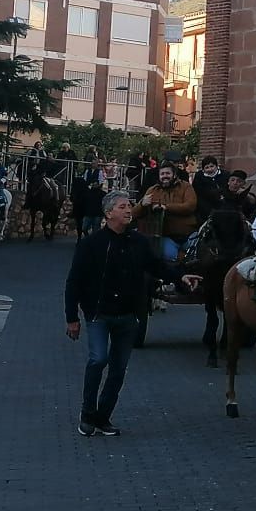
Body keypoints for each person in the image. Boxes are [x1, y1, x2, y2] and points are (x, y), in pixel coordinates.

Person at [63, 192, 189, 437]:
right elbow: (74, 281)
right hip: (99, 313)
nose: (129, 210)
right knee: (98, 359)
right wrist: (72, 317)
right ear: (109, 213)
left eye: (129, 206)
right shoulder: (91, 244)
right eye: (122, 207)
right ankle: (87, 414)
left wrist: (180, 277)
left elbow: (157, 266)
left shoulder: (138, 242)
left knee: (118, 369)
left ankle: (103, 417)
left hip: (129, 315)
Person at [136, 163, 198, 267]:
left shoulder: (186, 186)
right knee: (171, 259)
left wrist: (166, 207)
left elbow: (190, 206)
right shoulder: (153, 190)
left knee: (198, 257)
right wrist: (142, 204)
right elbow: (134, 213)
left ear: (174, 175)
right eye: (162, 174)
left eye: (168, 173)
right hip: (166, 236)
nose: (165, 176)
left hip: (189, 234)